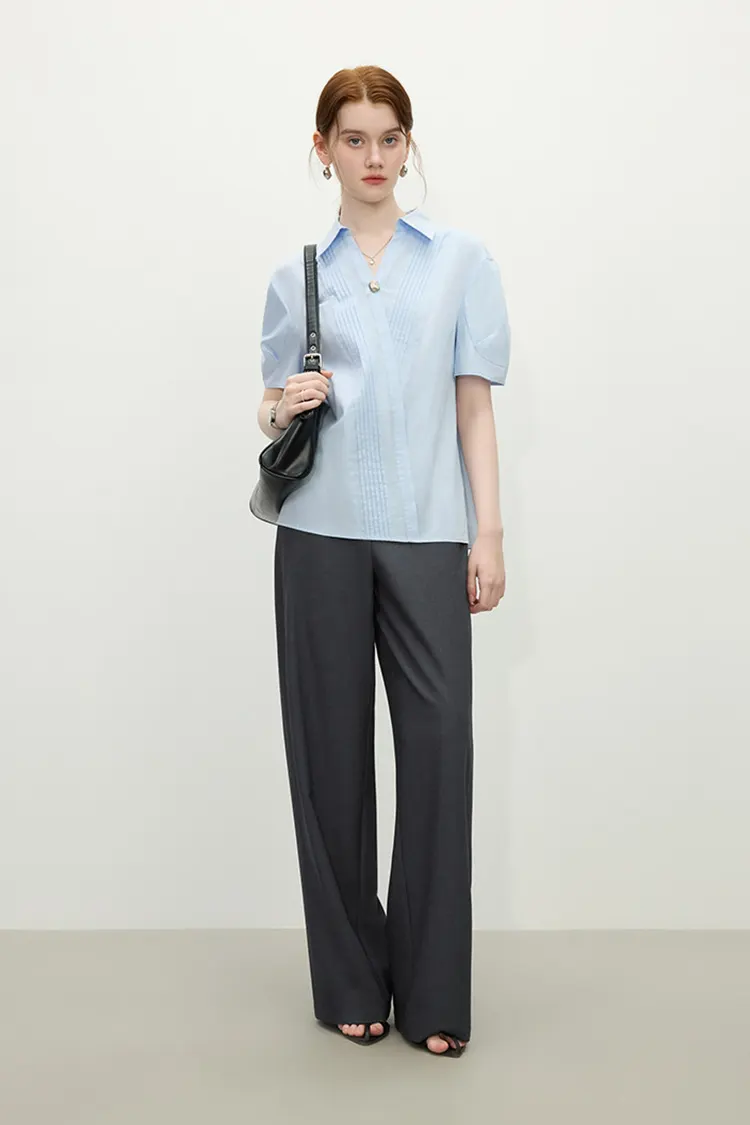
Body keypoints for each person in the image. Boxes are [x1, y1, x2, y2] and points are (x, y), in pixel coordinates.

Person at [256, 66, 510, 1059]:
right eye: (354, 139)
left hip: (429, 531)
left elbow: (474, 404)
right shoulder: (297, 275)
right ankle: (352, 982)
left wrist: (489, 533)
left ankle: (435, 991)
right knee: (329, 761)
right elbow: (270, 402)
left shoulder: (460, 260)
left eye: (389, 138)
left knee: (440, 753)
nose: (374, 157)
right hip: (319, 534)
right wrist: (282, 403)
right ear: (322, 149)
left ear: (409, 143)